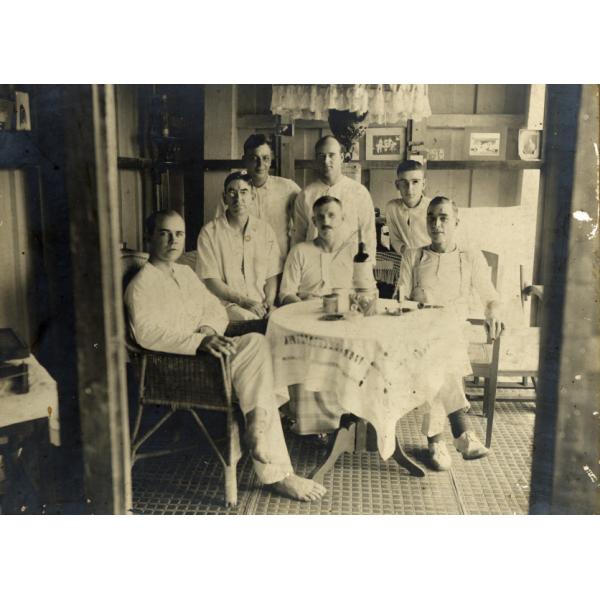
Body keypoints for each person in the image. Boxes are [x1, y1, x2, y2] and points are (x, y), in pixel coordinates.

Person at [124, 209, 327, 501]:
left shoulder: (183, 272)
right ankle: (277, 472)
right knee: (258, 373)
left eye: (179, 234)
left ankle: (256, 429)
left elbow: (213, 308)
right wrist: (200, 339)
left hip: (208, 355)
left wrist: (208, 327)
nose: (173, 241)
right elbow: (147, 333)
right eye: (164, 233)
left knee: (258, 343)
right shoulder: (141, 284)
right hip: (178, 366)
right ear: (148, 236)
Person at [397, 196, 504, 470]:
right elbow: (401, 300)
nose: (436, 223)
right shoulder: (414, 255)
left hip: (454, 332)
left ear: (456, 221)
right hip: (418, 331)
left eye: (443, 217)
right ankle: (461, 432)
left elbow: (490, 297)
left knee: (441, 351)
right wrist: (417, 300)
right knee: (438, 348)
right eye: (431, 217)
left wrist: (493, 310)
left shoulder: (470, 256)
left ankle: (437, 441)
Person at [197, 171, 282, 321]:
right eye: (232, 192)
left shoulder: (265, 230)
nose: (238, 199)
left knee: (279, 319)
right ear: (224, 198)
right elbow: (210, 280)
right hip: (225, 305)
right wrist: (244, 302)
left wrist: (269, 302)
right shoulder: (209, 232)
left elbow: (271, 274)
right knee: (250, 319)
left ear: (252, 197)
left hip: (260, 304)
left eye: (244, 192)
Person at [291, 135, 376, 261]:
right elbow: (298, 236)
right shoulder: (306, 194)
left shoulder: (359, 192)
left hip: (349, 263)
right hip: (314, 263)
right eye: (321, 156)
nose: (326, 161)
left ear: (341, 157)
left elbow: (368, 234)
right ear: (316, 159)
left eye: (332, 155)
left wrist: (365, 268)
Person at [214, 134, 301, 257]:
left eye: (265, 158)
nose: (260, 165)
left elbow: (304, 222)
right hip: (244, 262)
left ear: (271, 160)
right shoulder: (234, 192)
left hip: (281, 262)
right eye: (254, 158)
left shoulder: (288, 188)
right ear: (245, 160)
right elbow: (220, 229)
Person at [280, 195, 354, 304]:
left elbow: (366, 290)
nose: (326, 222)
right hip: (306, 314)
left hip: (346, 314)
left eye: (331, 215)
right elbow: (286, 293)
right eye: (320, 217)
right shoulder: (300, 251)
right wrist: (303, 308)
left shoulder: (353, 252)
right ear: (314, 221)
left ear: (342, 218)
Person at [385, 160, 431, 256]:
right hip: (405, 259)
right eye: (404, 183)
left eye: (415, 182)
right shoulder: (392, 208)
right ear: (397, 185)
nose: (409, 189)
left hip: (430, 259)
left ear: (423, 184)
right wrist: (404, 251)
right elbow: (395, 239)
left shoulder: (432, 207)